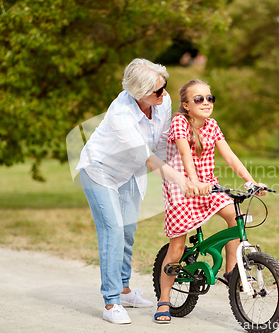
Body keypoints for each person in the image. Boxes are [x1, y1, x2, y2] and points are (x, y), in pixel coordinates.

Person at [76, 59, 199, 325]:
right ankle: (111, 302)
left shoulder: (161, 102)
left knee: (128, 231)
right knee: (113, 230)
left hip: (129, 173)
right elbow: (147, 157)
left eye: (164, 87)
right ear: (138, 93)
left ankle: (124, 289)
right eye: (157, 90)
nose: (164, 93)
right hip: (100, 171)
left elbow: (166, 141)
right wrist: (178, 179)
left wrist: (191, 171)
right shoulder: (121, 113)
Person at [154, 79, 267, 323]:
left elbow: (231, 158)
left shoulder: (212, 125)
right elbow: (185, 154)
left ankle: (230, 272)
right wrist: (193, 183)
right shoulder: (180, 122)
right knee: (177, 247)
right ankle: (164, 299)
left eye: (209, 98)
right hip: (182, 188)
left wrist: (251, 181)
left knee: (236, 218)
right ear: (186, 105)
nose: (206, 102)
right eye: (199, 99)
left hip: (209, 186)